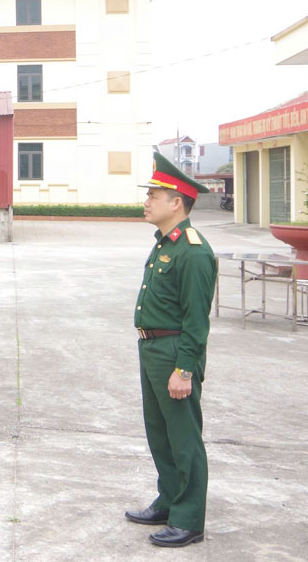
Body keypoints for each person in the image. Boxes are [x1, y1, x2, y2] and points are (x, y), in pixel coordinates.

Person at [125, 152, 214, 548]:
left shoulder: (193, 251)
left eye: (153, 195)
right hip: (152, 347)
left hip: (174, 350)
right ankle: (169, 500)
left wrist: (185, 369)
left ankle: (189, 519)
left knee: (184, 437)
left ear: (176, 202)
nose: (146, 201)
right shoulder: (166, 245)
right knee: (160, 433)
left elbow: (197, 320)